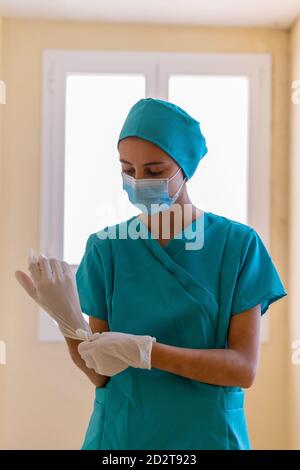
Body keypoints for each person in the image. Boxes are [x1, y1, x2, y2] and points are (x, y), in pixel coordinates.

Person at [16, 98, 287, 450]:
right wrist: (68, 321)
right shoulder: (106, 248)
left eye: (155, 171)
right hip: (123, 434)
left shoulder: (237, 246)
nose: (138, 181)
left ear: (184, 168)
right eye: (127, 170)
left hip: (207, 434)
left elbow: (242, 369)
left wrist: (147, 352)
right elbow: (100, 374)